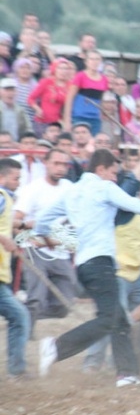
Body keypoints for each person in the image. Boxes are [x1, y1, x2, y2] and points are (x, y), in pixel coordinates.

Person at [35, 149, 140, 387]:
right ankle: (56, 347)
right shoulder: (104, 188)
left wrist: (45, 239)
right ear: (101, 169)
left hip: (84, 265)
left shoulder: (71, 192)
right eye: (113, 173)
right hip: (101, 263)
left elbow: (42, 221)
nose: (115, 178)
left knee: (119, 320)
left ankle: (127, 374)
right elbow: (138, 206)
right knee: (109, 319)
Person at [82, 175, 140, 373]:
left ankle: (121, 358)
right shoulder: (125, 211)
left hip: (138, 275)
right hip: (115, 273)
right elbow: (128, 185)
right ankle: (92, 361)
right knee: (111, 319)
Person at [13, 148, 75, 338]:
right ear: (46, 164)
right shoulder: (33, 189)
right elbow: (14, 221)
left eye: (64, 164)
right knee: (36, 298)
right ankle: (25, 333)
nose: (60, 168)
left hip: (60, 250)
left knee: (65, 305)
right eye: (56, 163)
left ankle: (19, 314)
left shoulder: (70, 188)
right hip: (35, 250)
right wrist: (29, 236)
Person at [0, 158, 31, 380]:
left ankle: (16, 369)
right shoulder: (1, 197)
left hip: (2, 274)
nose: (18, 183)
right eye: (15, 178)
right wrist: (3, 238)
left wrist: (21, 227)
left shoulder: (6, 200)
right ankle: (16, 369)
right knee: (19, 317)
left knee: (19, 316)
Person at [63, 50, 108, 134]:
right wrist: (67, 120)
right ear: (86, 62)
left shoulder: (104, 79)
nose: (94, 62)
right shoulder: (80, 76)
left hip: (95, 118)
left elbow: (101, 100)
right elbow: (70, 98)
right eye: (92, 59)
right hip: (79, 116)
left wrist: (100, 116)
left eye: (97, 59)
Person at [28, 58, 71, 137]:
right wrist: (37, 109)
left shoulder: (70, 85)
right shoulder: (46, 82)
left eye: (66, 68)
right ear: (55, 69)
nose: (63, 71)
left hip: (57, 124)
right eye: (60, 68)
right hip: (42, 122)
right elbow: (31, 99)